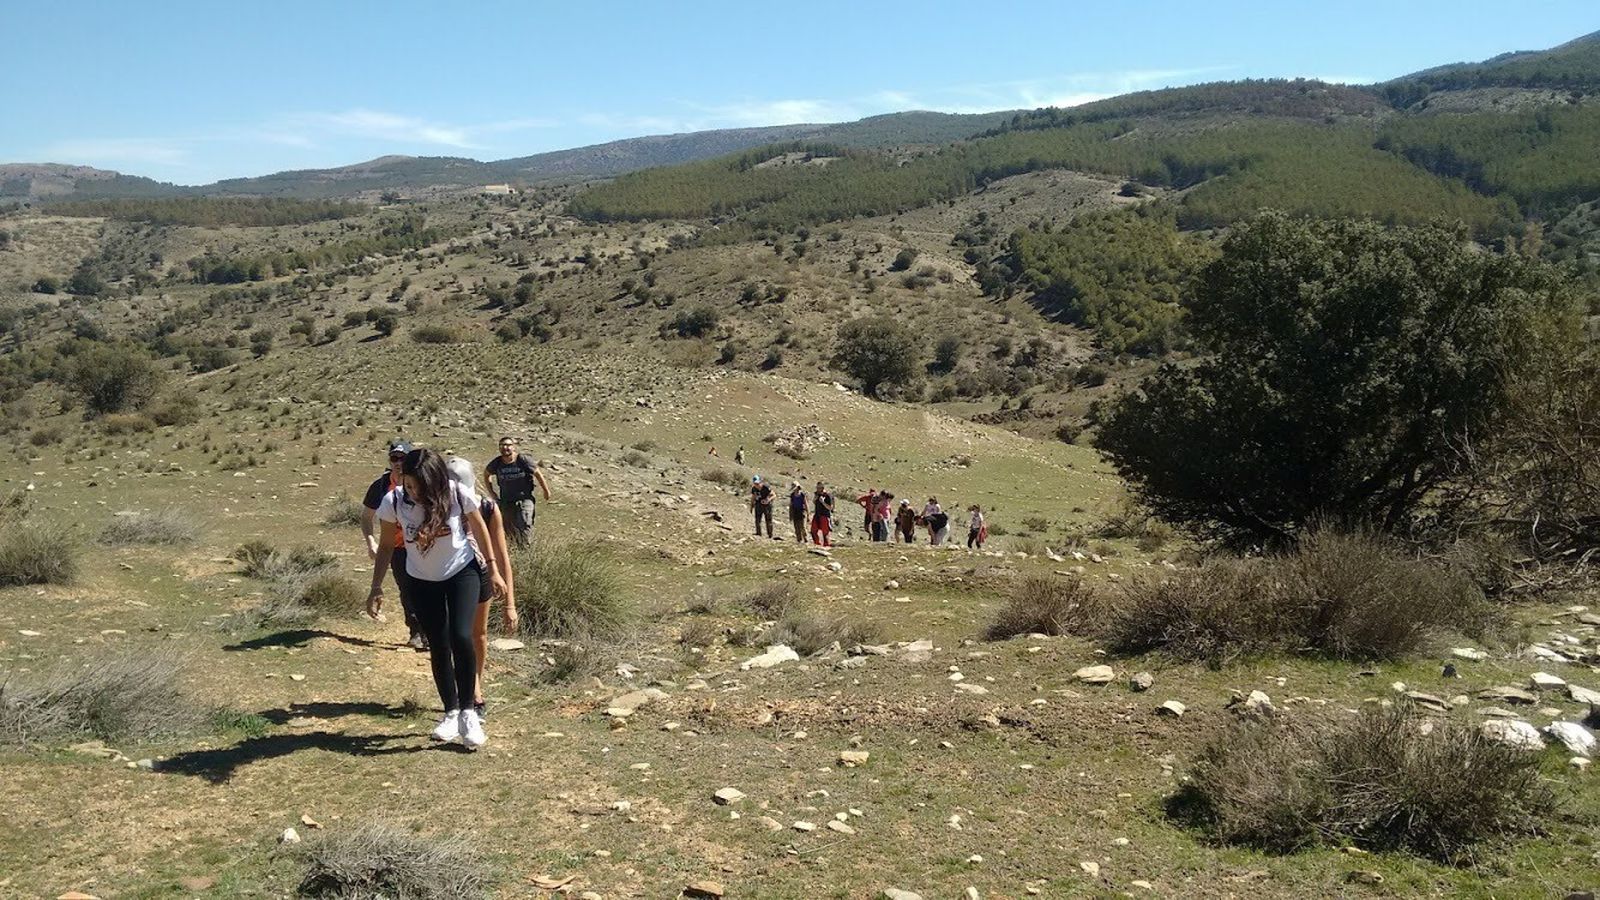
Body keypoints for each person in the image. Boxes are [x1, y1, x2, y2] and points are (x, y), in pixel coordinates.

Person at [370, 448, 508, 751]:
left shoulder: (456, 494)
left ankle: (469, 712)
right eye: (409, 484)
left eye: (419, 485)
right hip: (421, 581)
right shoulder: (394, 501)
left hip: (462, 572)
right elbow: (384, 547)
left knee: (462, 636)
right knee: (439, 644)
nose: (414, 491)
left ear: (434, 479)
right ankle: (451, 712)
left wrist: (494, 569)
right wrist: (376, 586)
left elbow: (481, 530)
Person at [447, 457, 518, 720]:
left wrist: (510, 603)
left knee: (478, 634)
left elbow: (502, 555)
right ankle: (467, 692)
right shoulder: (437, 508)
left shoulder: (487, 508)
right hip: (448, 576)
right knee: (456, 635)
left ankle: (475, 686)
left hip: (481, 574)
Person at [362, 439, 426, 650]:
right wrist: (371, 540)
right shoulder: (380, 486)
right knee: (406, 589)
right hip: (397, 547)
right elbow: (366, 516)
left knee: (426, 587)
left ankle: (431, 632)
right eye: (394, 458)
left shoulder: (421, 482)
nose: (398, 462)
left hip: (422, 545)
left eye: (403, 458)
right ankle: (416, 632)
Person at [484, 436, 550, 548]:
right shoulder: (497, 463)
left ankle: (526, 551)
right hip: (506, 500)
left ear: (514, 447)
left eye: (508, 445)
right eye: (502, 445)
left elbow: (537, 473)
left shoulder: (522, 460)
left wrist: (546, 490)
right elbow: (486, 474)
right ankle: (513, 552)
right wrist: (492, 492)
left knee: (524, 523)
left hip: (525, 498)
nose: (505, 447)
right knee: (508, 528)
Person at [810, 481, 834, 546]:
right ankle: (817, 544)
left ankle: (826, 546)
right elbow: (815, 503)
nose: (817, 489)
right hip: (817, 515)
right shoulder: (817, 494)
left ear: (822, 488)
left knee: (825, 533)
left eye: (819, 488)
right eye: (817, 488)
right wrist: (814, 500)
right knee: (813, 531)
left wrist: (823, 502)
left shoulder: (828, 496)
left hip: (825, 516)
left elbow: (830, 508)